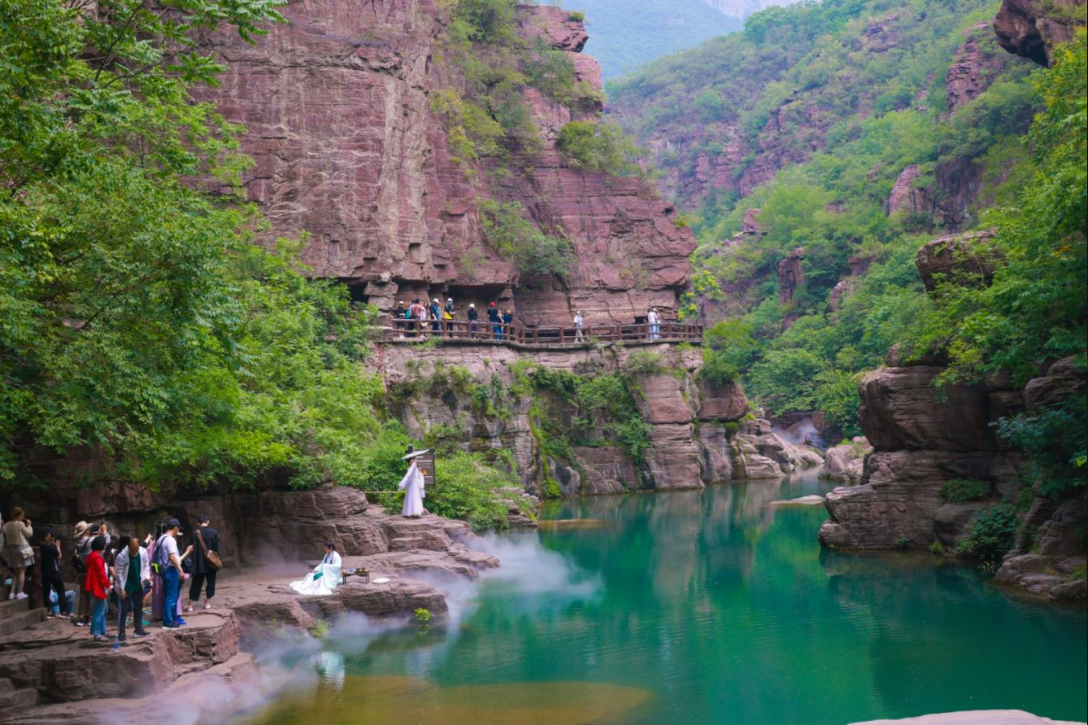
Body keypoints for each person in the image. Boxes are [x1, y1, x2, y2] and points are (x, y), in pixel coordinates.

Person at [113, 536, 150, 642]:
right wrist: (121, 588)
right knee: (124, 609)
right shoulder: (121, 556)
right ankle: (121, 632)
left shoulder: (143, 552)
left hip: (138, 584)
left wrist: (145, 579)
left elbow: (146, 566)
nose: (134, 551)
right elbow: (118, 573)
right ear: (128, 546)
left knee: (138, 607)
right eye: (132, 548)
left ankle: (138, 630)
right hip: (126, 586)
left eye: (136, 548)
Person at [154, 519, 187, 629]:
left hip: (164, 570)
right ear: (176, 528)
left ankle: (170, 619)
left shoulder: (161, 538)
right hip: (171, 570)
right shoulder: (170, 540)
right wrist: (180, 570)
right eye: (178, 528)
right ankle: (168, 622)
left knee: (169, 595)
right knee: (171, 597)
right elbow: (172, 556)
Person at [186, 515, 220, 612]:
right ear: (208, 521)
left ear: (198, 523)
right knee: (211, 582)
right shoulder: (214, 532)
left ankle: (190, 605)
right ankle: (208, 602)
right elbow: (216, 548)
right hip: (211, 562)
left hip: (199, 563)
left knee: (196, 583)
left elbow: (191, 548)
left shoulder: (194, 533)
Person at [2, 507, 33, 600]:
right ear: (19, 515)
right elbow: (29, 534)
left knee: (15, 571)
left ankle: (11, 593)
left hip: (12, 548)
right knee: (22, 570)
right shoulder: (20, 524)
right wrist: (29, 526)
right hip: (22, 547)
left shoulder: (6, 525)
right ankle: (20, 592)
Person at [38, 528, 70, 619]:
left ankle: (47, 611)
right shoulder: (51, 546)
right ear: (47, 536)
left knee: (46, 592)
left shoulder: (40, 546)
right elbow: (59, 556)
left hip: (44, 572)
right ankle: (63, 611)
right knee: (61, 591)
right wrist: (58, 547)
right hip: (53, 571)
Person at [84, 535, 110, 641]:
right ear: (102, 546)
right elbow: (101, 574)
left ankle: (102, 630)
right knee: (99, 610)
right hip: (98, 586)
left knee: (103, 609)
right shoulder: (98, 558)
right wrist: (107, 584)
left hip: (94, 585)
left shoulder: (92, 556)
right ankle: (97, 633)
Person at [72, 521, 94, 625]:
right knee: (90, 594)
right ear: (86, 531)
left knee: (83, 594)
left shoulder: (77, 541)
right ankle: (87, 617)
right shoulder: (90, 541)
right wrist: (103, 533)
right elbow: (105, 541)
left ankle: (80, 616)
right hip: (89, 570)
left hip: (81, 570)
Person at [398, 453, 426, 518]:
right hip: (411, 485)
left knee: (416, 497)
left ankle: (416, 512)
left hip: (416, 485)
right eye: (411, 461)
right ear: (409, 463)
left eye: (412, 461)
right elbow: (410, 475)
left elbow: (419, 476)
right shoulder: (410, 469)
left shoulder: (416, 469)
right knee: (411, 497)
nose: (412, 462)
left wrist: (419, 471)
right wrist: (415, 462)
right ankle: (410, 512)